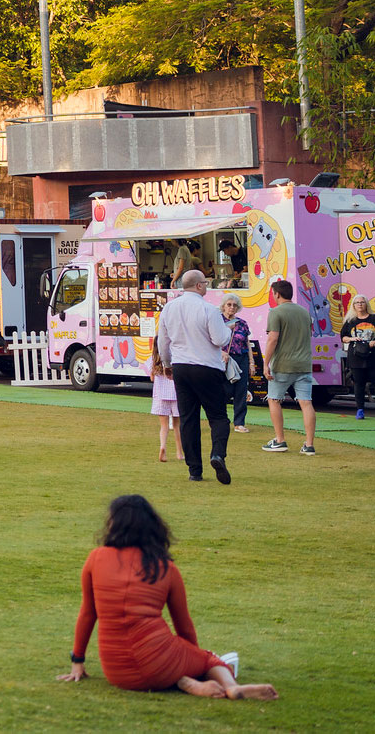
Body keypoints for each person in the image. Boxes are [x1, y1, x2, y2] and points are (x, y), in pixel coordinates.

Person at [59, 494, 275, 700]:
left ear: (113, 524)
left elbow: (88, 613)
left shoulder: (95, 559)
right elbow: (184, 626)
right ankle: (231, 688)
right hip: (159, 660)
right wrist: (198, 659)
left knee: (165, 665)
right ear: (152, 527)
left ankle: (186, 683)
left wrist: (78, 661)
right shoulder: (165, 568)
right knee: (209, 659)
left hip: (117, 671)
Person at [157, 270, 233, 482]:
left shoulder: (169, 308)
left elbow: (162, 340)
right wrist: (228, 330)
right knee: (218, 417)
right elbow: (219, 339)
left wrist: (167, 363)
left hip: (181, 366)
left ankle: (194, 470)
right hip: (207, 366)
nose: (207, 286)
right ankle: (217, 454)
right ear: (199, 286)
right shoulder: (208, 309)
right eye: (205, 283)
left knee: (188, 418)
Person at [262, 279, 315, 455]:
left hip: (283, 364)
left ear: (276, 294)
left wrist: (265, 363)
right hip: (304, 363)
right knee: (306, 402)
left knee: (274, 399)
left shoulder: (275, 312)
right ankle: (309, 445)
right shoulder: (304, 312)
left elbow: (273, 339)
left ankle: (280, 440)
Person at [220, 296, 252, 430]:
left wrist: (251, 362)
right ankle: (221, 420)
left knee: (241, 391)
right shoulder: (218, 321)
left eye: (234, 305)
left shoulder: (242, 323)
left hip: (241, 358)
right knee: (223, 391)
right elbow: (211, 340)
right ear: (223, 306)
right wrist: (221, 353)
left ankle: (239, 423)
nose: (232, 307)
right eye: (229, 304)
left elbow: (247, 343)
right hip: (224, 359)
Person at [341, 294, 375, 420]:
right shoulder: (350, 321)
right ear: (353, 306)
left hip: (372, 356)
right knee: (359, 384)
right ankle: (360, 410)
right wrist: (352, 338)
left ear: (366, 304)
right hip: (356, 357)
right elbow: (343, 338)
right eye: (357, 302)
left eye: (362, 302)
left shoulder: (373, 318)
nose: (360, 304)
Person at [149, 348, 180, 463]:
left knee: (164, 426)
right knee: (177, 426)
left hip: (160, 395)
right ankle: (179, 452)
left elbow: (152, 378)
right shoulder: (175, 357)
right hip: (175, 394)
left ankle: (163, 447)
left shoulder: (153, 359)